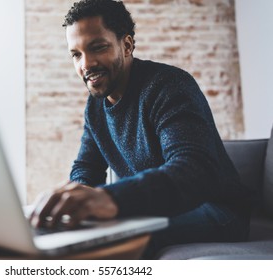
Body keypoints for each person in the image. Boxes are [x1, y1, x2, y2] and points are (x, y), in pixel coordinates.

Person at [30, 0, 255, 259]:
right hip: (156, 209)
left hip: (218, 211)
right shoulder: (95, 106)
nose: (86, 64)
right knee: (62, 234)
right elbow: (86, 169)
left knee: (113, 239)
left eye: (98, 47)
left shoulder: (168, 86)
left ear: (126, 45)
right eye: (76, 54)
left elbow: (194, 170)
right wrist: (74, 202)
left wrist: (110, 199)